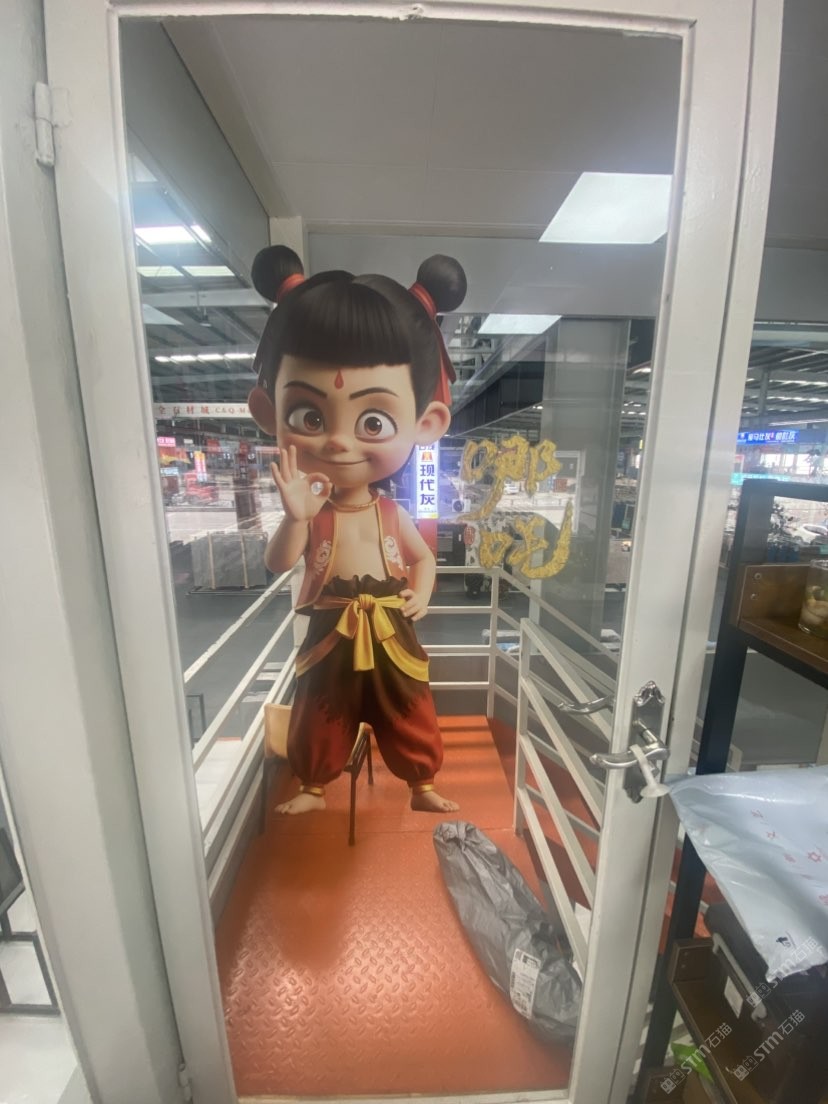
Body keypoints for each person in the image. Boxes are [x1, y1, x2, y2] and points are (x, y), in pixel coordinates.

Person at [247, 245, 466, 815]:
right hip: (332, 625)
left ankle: (421, 782)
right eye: (309, 416)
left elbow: (421, 558)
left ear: (426, 422)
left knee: (408, 701)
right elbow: (279, 562)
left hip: (390, 621)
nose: (339, 441)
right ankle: (313, 784)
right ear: (268, 411)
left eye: (373, 421)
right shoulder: (313, 513)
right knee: (322, 703)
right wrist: (296, 517)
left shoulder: (391, 513)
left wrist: (421, 593)